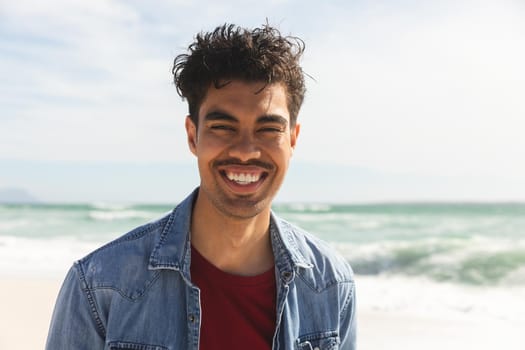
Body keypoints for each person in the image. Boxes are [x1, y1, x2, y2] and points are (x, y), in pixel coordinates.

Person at [46, 23, 356, 350]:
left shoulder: (331, 285)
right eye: (223, 127)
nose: (245, 151)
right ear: (192, 135)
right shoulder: (99, 284)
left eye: (268, 129)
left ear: (292, 139)